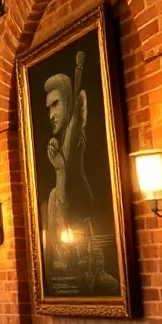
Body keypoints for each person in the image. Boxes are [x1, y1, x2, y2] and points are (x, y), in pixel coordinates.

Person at [41, 60, 117, 295]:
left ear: (69, 103)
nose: (51, 114)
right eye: (48, 108)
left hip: (85, 207)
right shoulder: (60, 145)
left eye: (56, 105)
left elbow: (76, 115)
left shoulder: (73, 129)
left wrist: (80, 70)